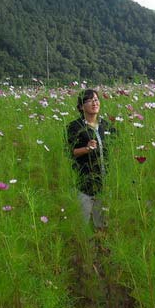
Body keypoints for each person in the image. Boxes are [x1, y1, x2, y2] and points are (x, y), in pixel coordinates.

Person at [67, 89, 115, 229]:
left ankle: (102, 248)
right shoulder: (74, 127)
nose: (94, 103)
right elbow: (69, 152)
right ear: (81, 107)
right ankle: (87, 249)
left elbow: (117, 146)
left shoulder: (106, 126)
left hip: (104, 184)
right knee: (83, 224)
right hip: (84, 184)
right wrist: (86, 149)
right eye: (89, 100)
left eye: (96, 99)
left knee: (103, 224)